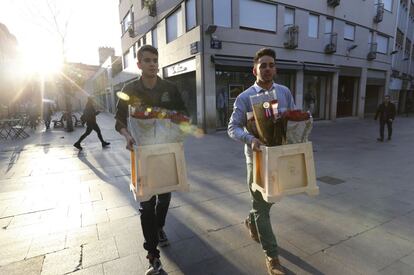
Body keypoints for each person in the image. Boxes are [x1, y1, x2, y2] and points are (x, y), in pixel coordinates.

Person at [115, 45, 187, 275]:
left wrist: (176, 128)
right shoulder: (128, 89)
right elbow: (118, 119)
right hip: (142, 154)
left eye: (155, 60)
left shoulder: (170, 88)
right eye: (147, 60)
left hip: (166, 154)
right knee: (146, 206)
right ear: (139, 64)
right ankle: (152, 256)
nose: (153, 64)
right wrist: (127, 136)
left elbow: (184, 115)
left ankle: (159, 228)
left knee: (164, 199)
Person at [228, 48, 295, 275]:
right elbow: (232, 127)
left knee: (267, 203)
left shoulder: (284, 92)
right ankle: (272, 256)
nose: (267, 69)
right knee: (261, 206)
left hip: (279, 157)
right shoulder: (244, 98)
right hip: (255, 159)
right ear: (254, 69)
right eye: (263, 65)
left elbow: (293, 118)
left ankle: (251, 220)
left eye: (271, 65)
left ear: (275, 69)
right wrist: (250, 139)